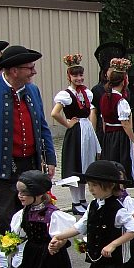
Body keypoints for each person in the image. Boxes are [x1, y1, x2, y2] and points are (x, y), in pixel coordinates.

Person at [0, 45, 57, 234]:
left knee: (33, 213)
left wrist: (50, 158)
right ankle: (3, 260)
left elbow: (42, 126)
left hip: (30, 164)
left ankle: (28, 257)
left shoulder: (32, 90)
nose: (34, 71)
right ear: (14, 71)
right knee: (5, 217)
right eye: (30, 67)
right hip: (2, 167)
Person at [51, 54, 101, 215]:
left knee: (85, 163)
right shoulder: (66, 94)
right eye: (75, 75)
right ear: (69, 76)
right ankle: (74, 201)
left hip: (86, 129)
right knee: (76, 164)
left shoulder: (86, 92)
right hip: (76, 131)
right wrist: (67, 123)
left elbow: (92, 110)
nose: (79, 78)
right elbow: (55, 113)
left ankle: (82, 199)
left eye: (80, 75)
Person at [99, 57, 134, 188]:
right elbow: (125, 124)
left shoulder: (105, 97)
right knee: (121, 164)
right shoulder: (120, 101)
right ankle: (121, 191)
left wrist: (106, 137)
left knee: (112, 163)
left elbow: (104, 120)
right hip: (120, 137)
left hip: (109, 136)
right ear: (124, 81)